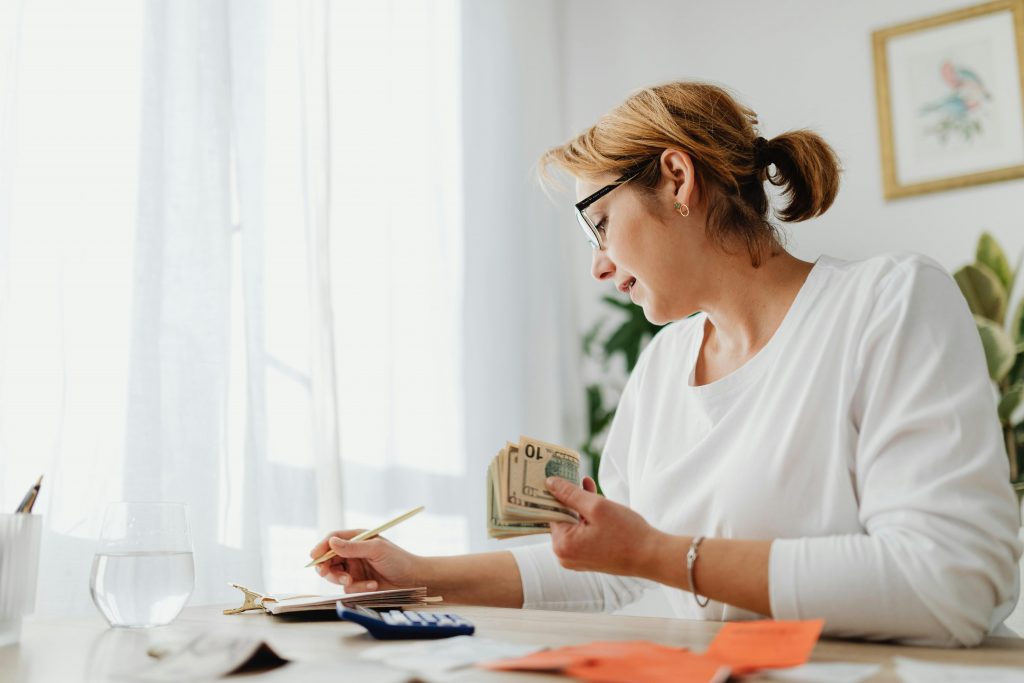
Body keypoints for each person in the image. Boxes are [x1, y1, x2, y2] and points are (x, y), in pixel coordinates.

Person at [309, 81, 1021, 647]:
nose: (597, 264)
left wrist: (659, 553)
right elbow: (612, 576)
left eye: (599, 223)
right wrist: (419, 576)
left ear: (677, 179)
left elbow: (951, 583)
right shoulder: (663, 366)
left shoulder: (887, 303)